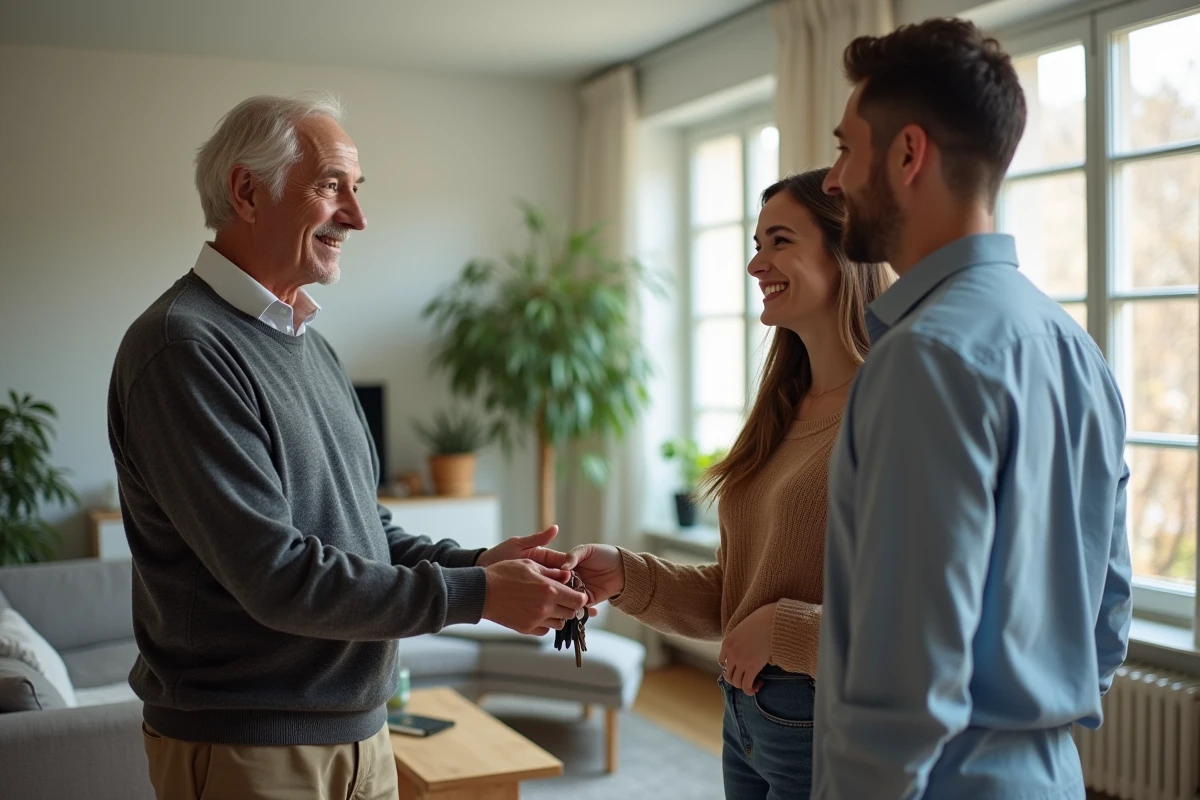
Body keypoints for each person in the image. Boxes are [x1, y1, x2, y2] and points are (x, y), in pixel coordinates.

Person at [107, 93, 588, 800]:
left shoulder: (313, 347)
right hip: (251, 747)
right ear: (247, 192)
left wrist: (481, 562)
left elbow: (367, 532)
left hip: (362, 735)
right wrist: (479, 594)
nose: (357, 217)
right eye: (331, 186)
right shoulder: (184, 348)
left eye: (356, 189)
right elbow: (277, 576)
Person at [814, 18, 1133, 800]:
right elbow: (1108, 614)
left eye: (846, 149)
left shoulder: (924, 358)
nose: (833, 180)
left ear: (908, 154)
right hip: (1049, 776)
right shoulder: (1076, 349)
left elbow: (904, 685)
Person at [563, 167, 891, 799]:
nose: (755, 264)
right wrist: (624, 574)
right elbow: (735, 597)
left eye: (779, 241)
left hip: (825, 718)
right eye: (756, 243)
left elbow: (917, 614)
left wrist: (786, 630)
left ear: (846, 251)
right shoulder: (783, 408)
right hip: (747, 717)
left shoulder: (889, 407)